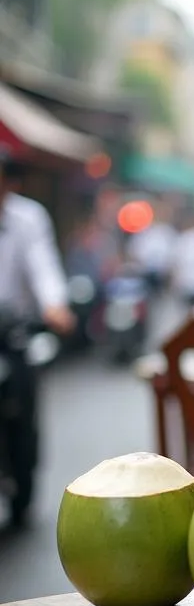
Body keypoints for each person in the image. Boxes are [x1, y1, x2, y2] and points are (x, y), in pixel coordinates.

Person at [0, 152, 75, 528]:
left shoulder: (28, 218)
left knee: (22, 394)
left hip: (14, 334)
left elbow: (43, 266)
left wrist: (55, 306)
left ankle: (22, 465)